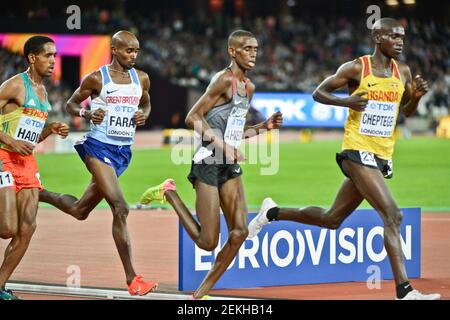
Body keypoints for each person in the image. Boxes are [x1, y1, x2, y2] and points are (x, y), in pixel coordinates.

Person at [247, 18, 441, 300]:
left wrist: (417, 98)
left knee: (331, 219)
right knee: (392, 215)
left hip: (382, 155)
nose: (400, 42)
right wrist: (347, 102)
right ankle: (405, 291)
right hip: (356, 150)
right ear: (378, 37)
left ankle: (271, 212)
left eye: (402, 37)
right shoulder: (356, 68)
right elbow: (318, 93)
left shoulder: (404, 72)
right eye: (394, 37)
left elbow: (406, 112)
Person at [139, 30, 283, 299]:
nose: (253, 53)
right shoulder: (223, 80)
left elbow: (234, 133)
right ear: (232, 51)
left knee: (239, 232)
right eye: (247, 48)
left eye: (255, 49)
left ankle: (200, 292)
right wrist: (224, 147)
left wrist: (265, 127)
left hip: (227, 163)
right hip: (208, 160)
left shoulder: (248, 88)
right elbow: (192, 118)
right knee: (208, 242)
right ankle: (169, 192)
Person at [38, 31, 157, 296]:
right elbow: (71, 104)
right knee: (120, 207)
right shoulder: (97, 78)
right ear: (114, 49)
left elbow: (147, 105)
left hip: (123, 152)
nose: (134, 56)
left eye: (137, 51)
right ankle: (132, 279)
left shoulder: (142, 79)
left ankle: (39, 193)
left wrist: (143, 115)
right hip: (98, 147)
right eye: (129, 51)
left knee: (80, 210)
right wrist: (87, 113)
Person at [0, 36, 69, 300]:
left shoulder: (44, 92)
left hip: (26, 163)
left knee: (27, 229)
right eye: (47, 56)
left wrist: (50, 129)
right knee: (7, 228)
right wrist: (10, 141)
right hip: (3, 157)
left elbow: (30, 140)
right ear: (32, 58)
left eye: (54, 56)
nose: (53, 61)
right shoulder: (16, 85)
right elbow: (15, 140)